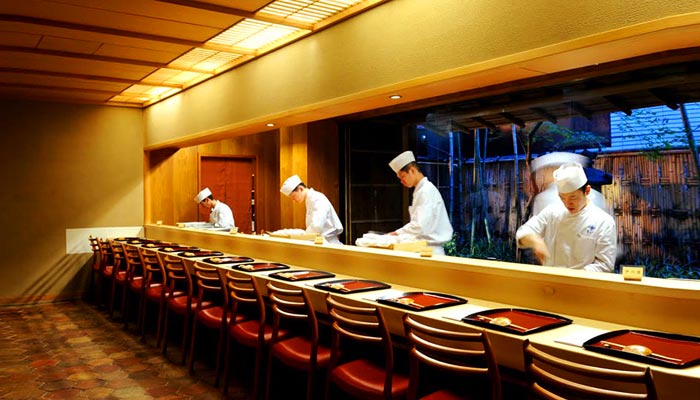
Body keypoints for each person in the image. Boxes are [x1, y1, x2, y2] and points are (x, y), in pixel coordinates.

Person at [516, 162, 616, 272]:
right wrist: (535, 241)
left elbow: (605, 265)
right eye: (562, 198)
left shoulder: (604, 222)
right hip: (550, 281)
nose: (567, 203)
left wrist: (572, 277)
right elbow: (524, 232)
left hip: (582, 284)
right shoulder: (552, 211)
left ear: (587, 191)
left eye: (573, 197)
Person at [388, 150, 453, 255]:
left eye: (403, 176)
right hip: (423, 249)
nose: (401, 181)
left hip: (430, 251)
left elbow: (419, 226)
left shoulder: (426, 191)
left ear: (412, 170)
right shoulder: (420, 190)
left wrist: (396, 233)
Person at [280, 175, 344, 244]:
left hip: (329, 243)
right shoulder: (309, 200)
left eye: (293, 196)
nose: (293, 200)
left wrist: (301, 236)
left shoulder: (317, 198)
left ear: (300, 189)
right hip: (320, 242)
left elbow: (316, 227)